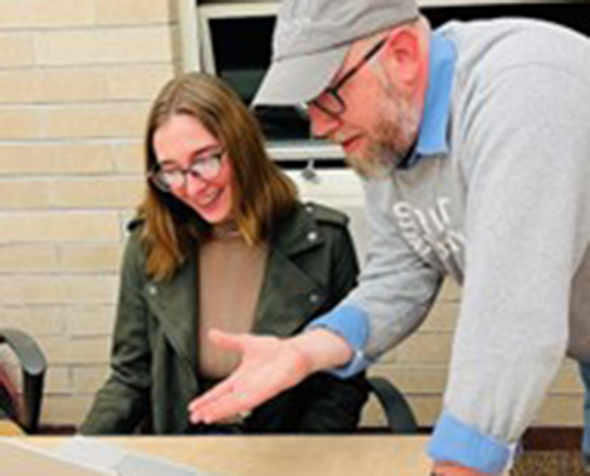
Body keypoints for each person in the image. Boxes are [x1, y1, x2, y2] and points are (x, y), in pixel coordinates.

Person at [187, 0, 590, 474]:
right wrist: (303, 351)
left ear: (400, 55)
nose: (318, 125)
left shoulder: (526, 91)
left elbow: (512, 308)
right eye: (307, 105)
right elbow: (399, 271)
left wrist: (459, 463)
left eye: (328, 94)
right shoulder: (388, 136)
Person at [81, 72, 369, 435]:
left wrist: (302, 457)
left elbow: (340, 388)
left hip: (282, 450)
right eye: (171, 171)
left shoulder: (323, 241)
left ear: (242, 146)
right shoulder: (150, 243)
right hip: (182, 446)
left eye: (204, 160)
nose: (190, 185)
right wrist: (80, 451)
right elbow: (130, 377)